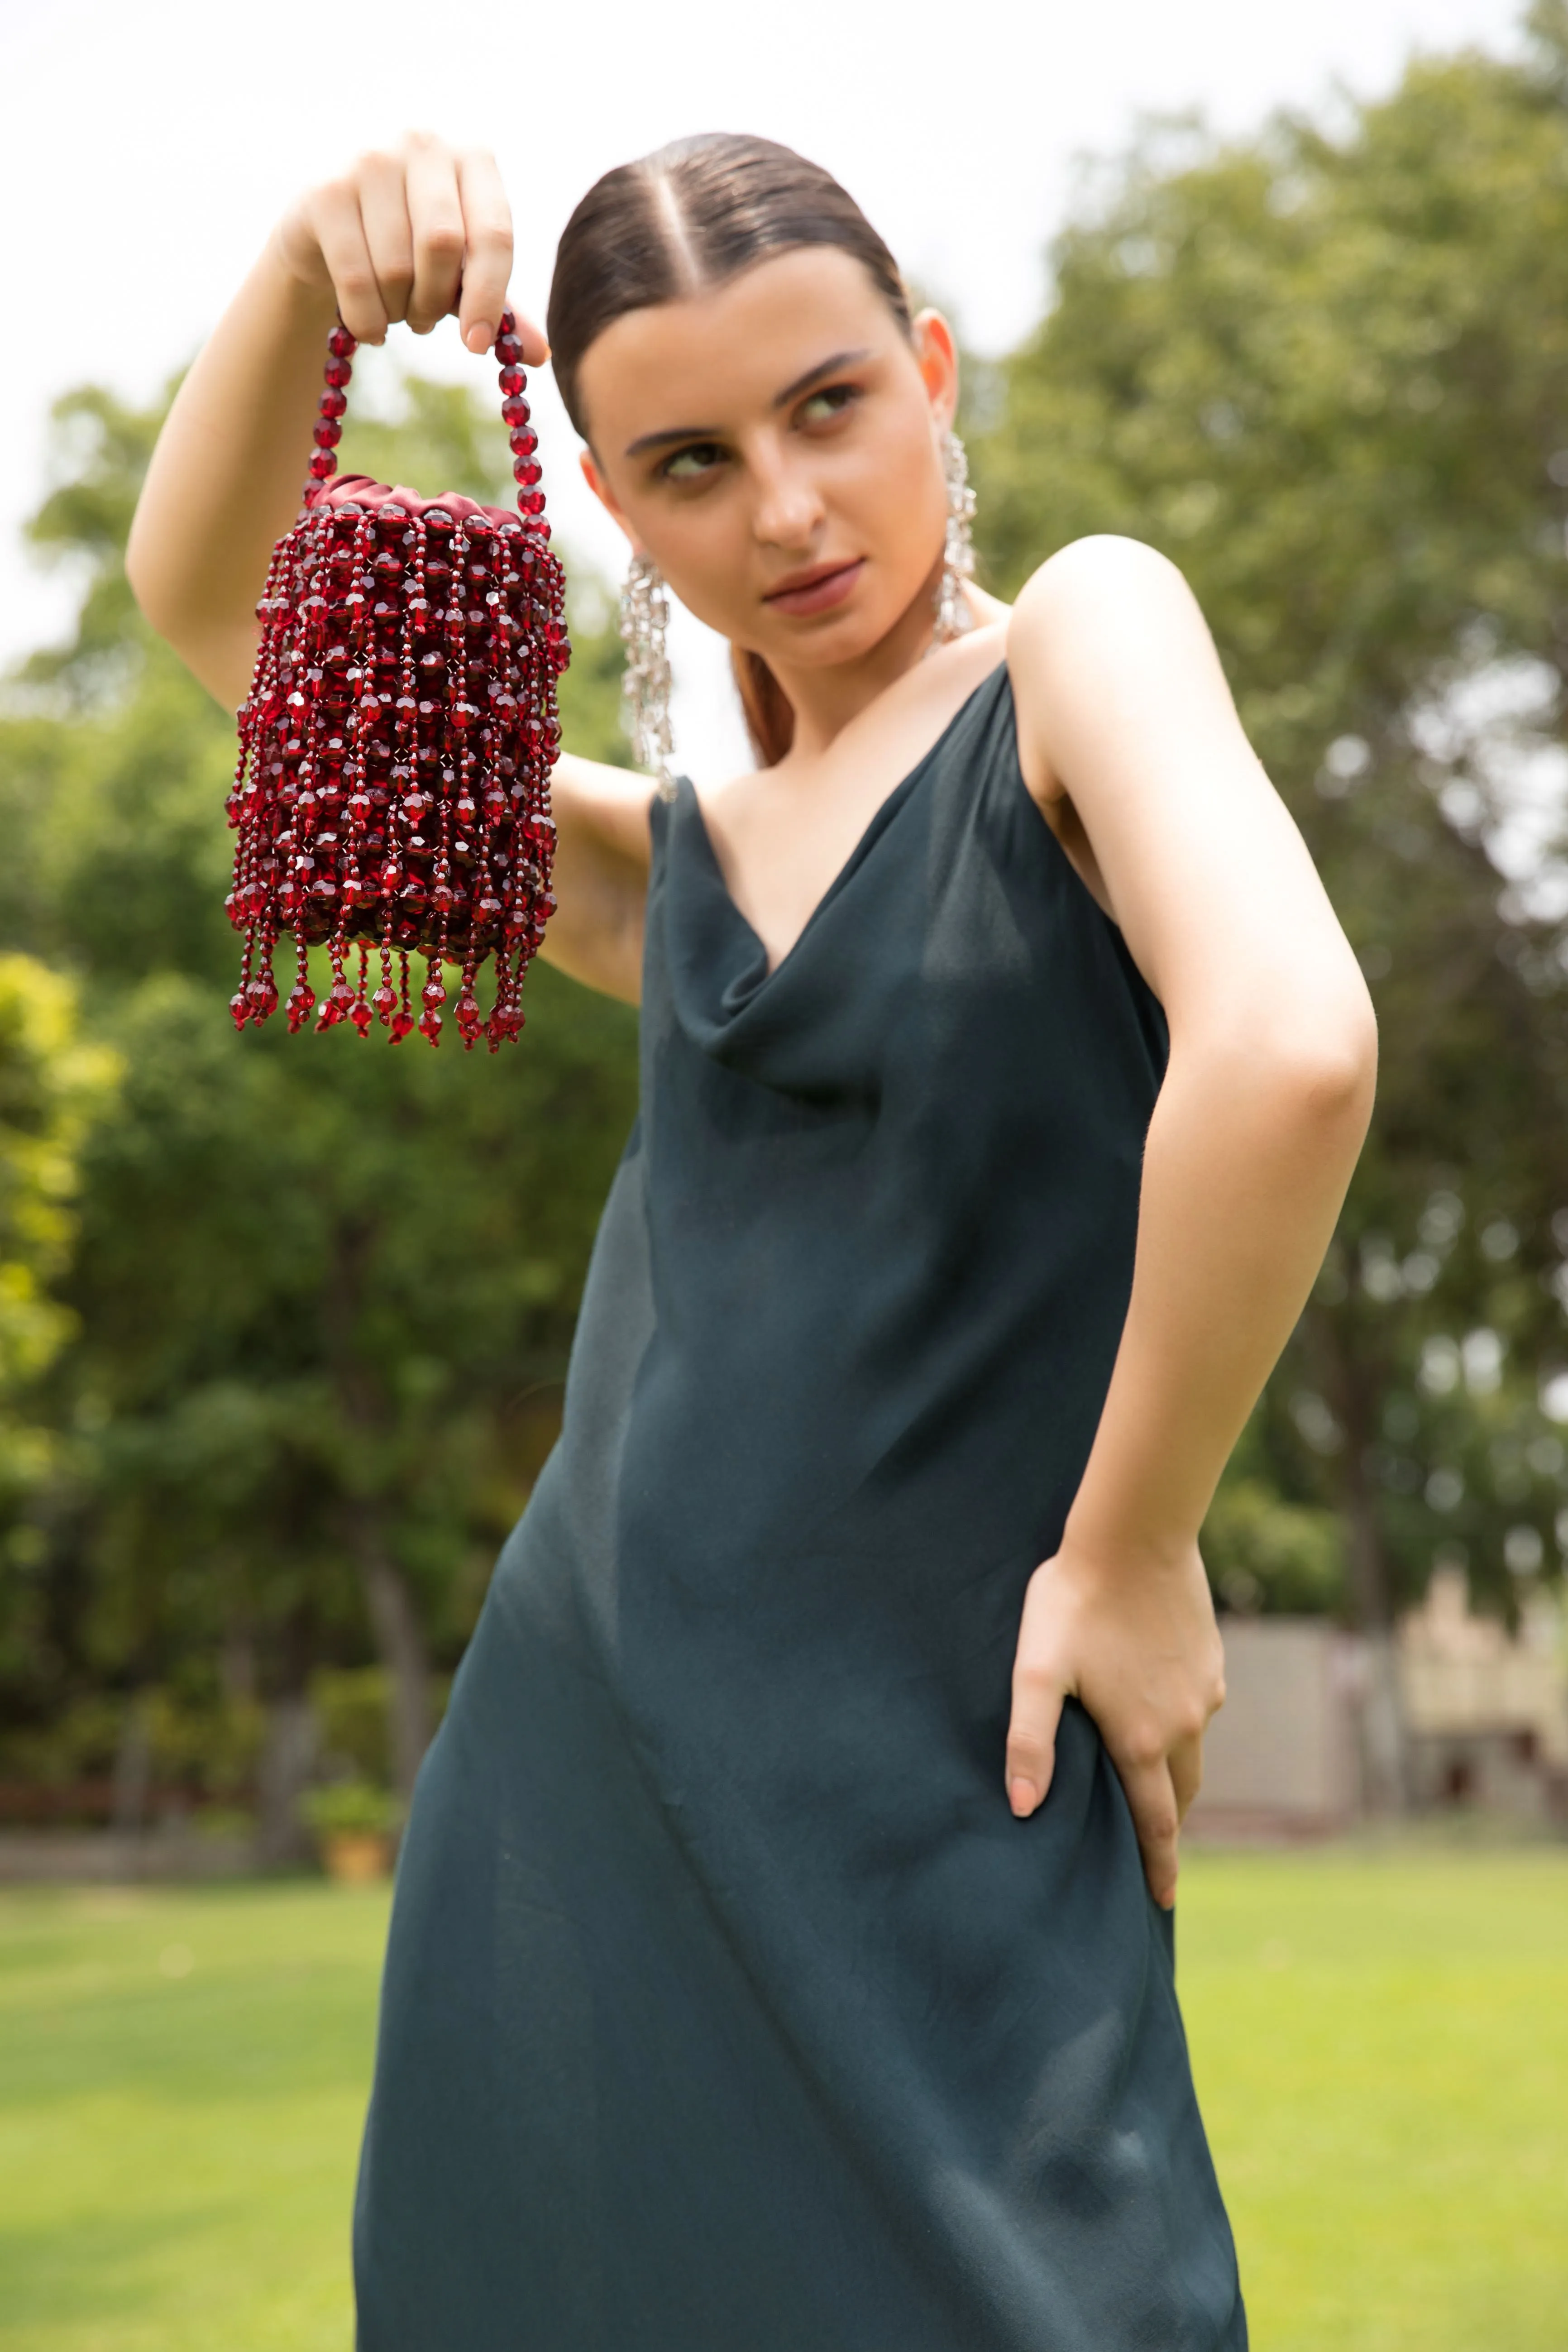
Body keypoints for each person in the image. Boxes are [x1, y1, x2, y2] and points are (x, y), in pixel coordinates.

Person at [127, 129, 1376, 2351]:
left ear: (928, 371)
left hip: (948, 1782)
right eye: (690, 462)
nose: (786, 512)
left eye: (828, 408)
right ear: (606, 502)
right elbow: (225, 620)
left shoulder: (1078, 646)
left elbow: (1283, 1047)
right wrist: (301, 280)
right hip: (573, 1807)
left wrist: (1131, 1543)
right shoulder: (662, 862)